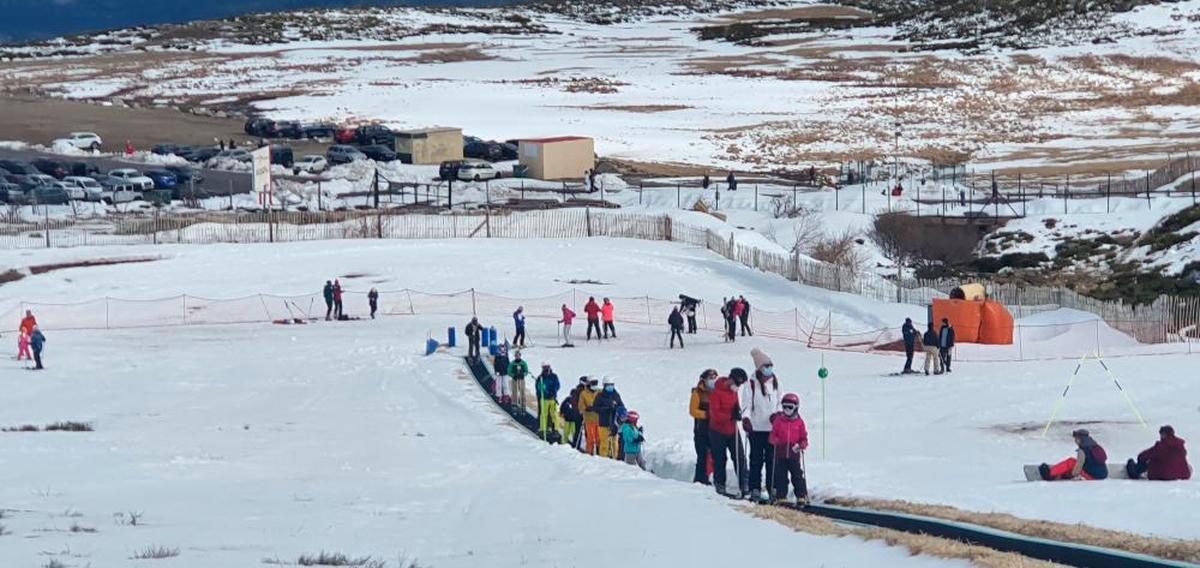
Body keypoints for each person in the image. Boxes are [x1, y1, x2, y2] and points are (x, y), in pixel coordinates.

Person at [743, 348, 781, 502]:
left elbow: (780, 400)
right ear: (759, 368)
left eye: (770, 365)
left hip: (772, 428)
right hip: (756, 427)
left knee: (772, 459)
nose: (769, 368)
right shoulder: (751, 383)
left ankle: (772, 487)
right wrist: (746, 419)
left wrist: (777, 414)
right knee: (756, 459)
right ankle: (755, 488)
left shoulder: (776, 381)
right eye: (766, 366)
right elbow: (745, 404)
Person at [708, 368, 749, 497]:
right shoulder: (717, 392)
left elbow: (735, 406)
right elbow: (715, 415)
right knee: (720, 458)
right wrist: (730, 415)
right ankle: (720, 483)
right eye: (737, 384)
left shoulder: (733, 392)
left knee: (740, 457)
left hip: (732, 430)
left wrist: (738, 412)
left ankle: (744, 483)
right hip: (717, 431)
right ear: (731, 380)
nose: (738, 387)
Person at [769, 392, 809, 505]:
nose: (787, 409)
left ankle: (801, 495)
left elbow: (804, 438)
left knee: (797, 475)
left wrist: (801, 445)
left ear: (796, 408)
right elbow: (772, 435)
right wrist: (776, 441)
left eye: (790, 407)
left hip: (793, 454)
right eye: (784, 407)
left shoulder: (799, 423)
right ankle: (781, 496)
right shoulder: (778, 421)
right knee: (781, 475)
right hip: (781, 454)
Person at [1039, 429, 1109, 481]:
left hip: (1093, 477)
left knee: (1071, 462)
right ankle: (1058, 472)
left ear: (1080, 439)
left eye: (1076, 439)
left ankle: (1049, 473)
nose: (1075, 441)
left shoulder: (1083, 450)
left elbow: (1077, 468)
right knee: (1074, 464)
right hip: (1103, 474)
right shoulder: (1094, 446)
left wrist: (1071, 475)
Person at [690, 369, 717, 484]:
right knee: (702, 455)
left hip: (713, 428)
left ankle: (710, 477)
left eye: (714, 378)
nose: (713, 381)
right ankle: (700, 479)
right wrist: (706, 414)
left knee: (714, 455)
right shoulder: (697, 393)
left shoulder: (716, 392)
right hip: (701, 428)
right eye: (710, 378)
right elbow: (692, 411)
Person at [593, 378, 625, 459]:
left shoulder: (616, 395)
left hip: (614, 424)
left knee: (615, 443)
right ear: (604, 386)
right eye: (608, 385)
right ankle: (603, 460)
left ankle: (614, 459)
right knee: (604, 443)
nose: (610, 387)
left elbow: (621, 406)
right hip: (604, 423)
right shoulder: (599, 396)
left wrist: (620, 411)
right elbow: (595, 408)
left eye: (612, 385)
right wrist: (606, 408)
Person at [536, 363, 561, 442]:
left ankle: (556, 429)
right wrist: (545, 392)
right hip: (544, 399)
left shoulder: (554, 376)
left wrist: (553, 392)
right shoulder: (541, 377)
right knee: (544, 414)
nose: (546, 369)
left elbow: (557, 385)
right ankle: (543, 428)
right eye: (544, 368)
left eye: (547, 367)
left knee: (554, 414)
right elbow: (539, 387)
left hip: (552, 398)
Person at [561, 378, 586, 449]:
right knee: (572, 432)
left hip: (574, 417)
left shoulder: (581, 392)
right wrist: (562, 412)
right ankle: (570, 444)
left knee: (574, 432)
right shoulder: (577, 393)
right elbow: (563, 406)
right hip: (573, 417)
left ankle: (574, 444)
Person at [579, 377, 601, 455]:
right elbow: (580, 406)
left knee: (599, 438)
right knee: (590, 438)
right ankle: (589, 453)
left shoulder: (599, 392)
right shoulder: (584, 393)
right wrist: (586, 408)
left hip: (599, 419)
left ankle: (599, 454)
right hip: (589, 419)